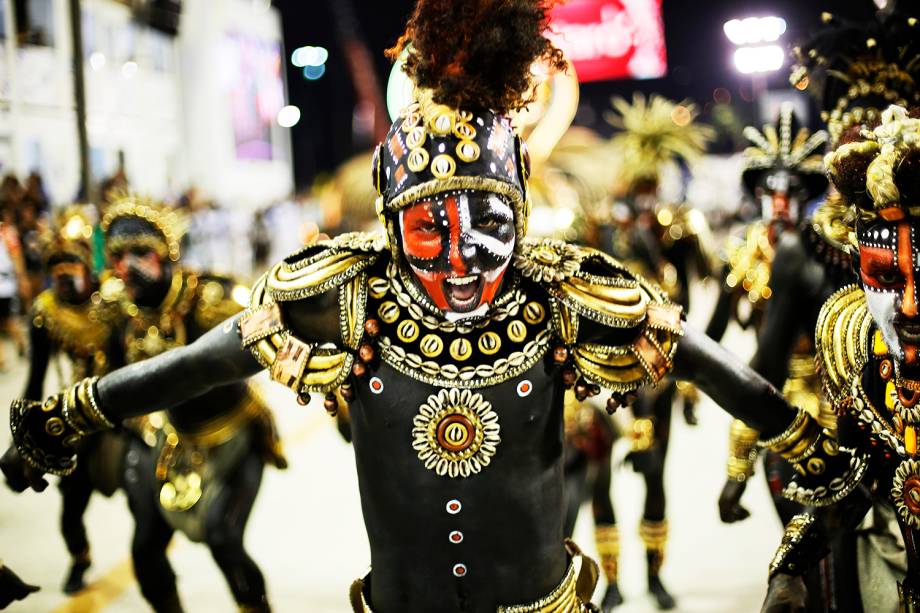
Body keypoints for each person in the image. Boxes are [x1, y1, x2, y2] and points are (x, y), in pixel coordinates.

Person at [10, 3, 806, 611]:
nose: (462, 258)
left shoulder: (560, 295)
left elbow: (705, 359)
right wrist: (68, 416)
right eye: (431, 226)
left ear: (522, 215)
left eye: (489, 224)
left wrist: (803, 442)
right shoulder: (345, 298)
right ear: (391, 223)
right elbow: (195, 365)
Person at [0, 207, 125, 594]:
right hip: (73, 417)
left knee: (145, 488)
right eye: (56, 268)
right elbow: (35, 380)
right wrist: (22, 439)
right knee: (71, 506)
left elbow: (129, 363)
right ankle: (80, 556)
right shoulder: (46, 312)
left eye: (72, 265)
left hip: (118, 407)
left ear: (88, 265)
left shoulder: (114, 305)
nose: (64, 276)